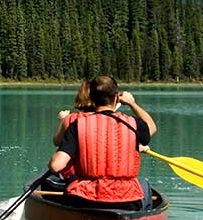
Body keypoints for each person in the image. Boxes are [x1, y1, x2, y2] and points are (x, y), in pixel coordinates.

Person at [48, 76, 158, 211]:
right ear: (117, 97)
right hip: (127, 200)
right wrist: (132, 104)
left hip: (85, 199)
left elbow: (56, 165)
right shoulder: (133, 124)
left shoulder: (78, 125)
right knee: (144, 187)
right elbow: (151, 127)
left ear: (92, 99)